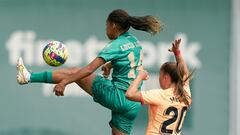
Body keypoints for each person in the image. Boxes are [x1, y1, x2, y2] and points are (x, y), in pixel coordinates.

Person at [16, 9, 163, 135]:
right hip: (133, 103)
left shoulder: (115, 45)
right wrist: (110, 65)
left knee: (75, 71)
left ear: (113, 25)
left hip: (118, 96)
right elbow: (131, 61)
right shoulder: (133, 40)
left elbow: (88, 69)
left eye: (106, 25)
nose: (106, 29)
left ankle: (28, 77)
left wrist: (65, 82)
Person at [125, 39, 193, 135]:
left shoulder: (160, 95)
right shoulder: (185, 95)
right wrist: (177, 53)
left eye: (160, 76)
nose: (159, 79)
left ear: (165, 78)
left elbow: (129, 94)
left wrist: (139, 76)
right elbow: (185, 74)